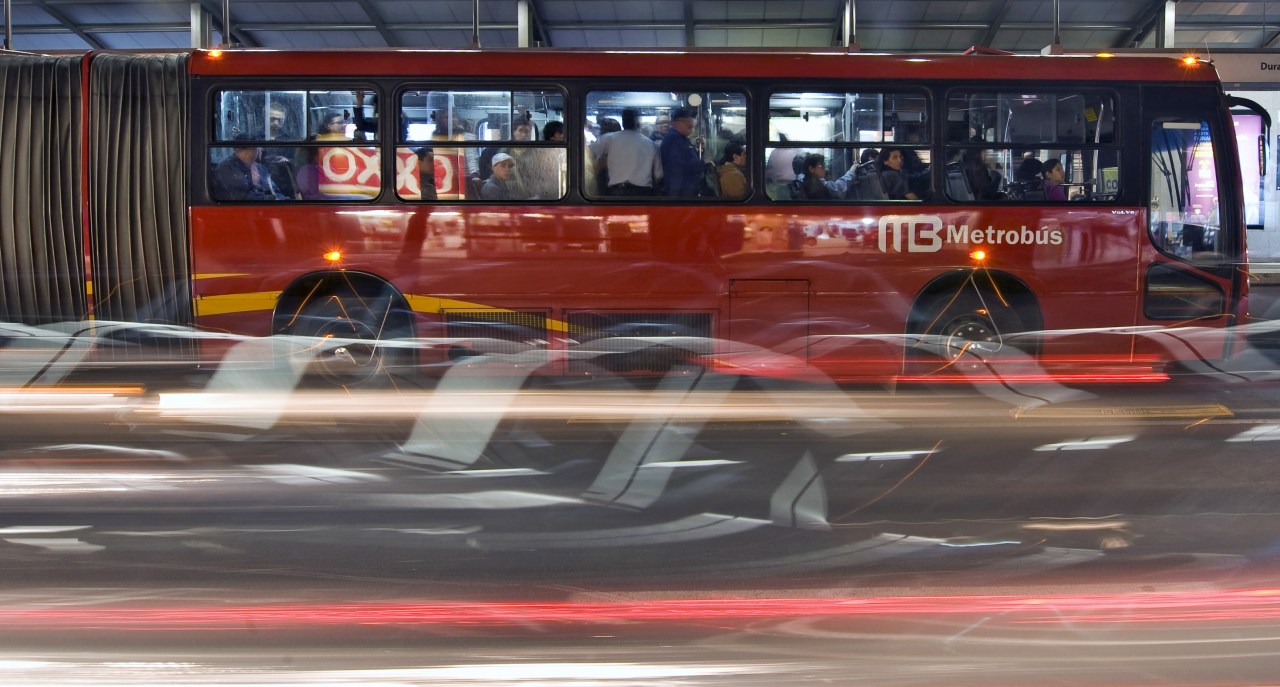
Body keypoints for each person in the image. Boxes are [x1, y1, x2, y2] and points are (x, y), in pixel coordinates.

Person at [593, 108, 660, 195]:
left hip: (618, 191)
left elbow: (590, 154)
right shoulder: (650, 143)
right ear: (637, 122)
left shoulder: (609, 139)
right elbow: (658, 175)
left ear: (623, 121)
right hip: (643, 192)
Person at [213, 137, 287, 201]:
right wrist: (273, 198)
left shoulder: (261, 168)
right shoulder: (227, 168)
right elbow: (243, 197)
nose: (261, 150)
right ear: (248, 150)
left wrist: (284, 200)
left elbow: (274, 190)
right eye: (257, 147)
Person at [659, 107, 706, 197]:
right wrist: (703, 162)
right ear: (677, 122)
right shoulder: (674, 139)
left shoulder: (681, 139)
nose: (691, 124)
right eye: (687, 120)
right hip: (680, 192)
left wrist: (700, 150)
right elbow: (682, 165)